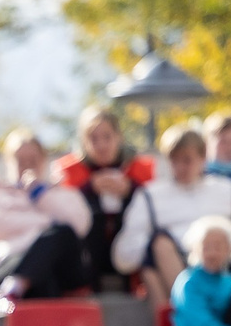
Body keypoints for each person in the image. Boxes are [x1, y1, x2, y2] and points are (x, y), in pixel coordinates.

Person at [115, 122, 231, 298]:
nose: (180, 167)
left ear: (203, 157)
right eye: (174, 160)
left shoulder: (229, 190)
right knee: (160, 247)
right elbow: (124, 257)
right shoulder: (150, 195)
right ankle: (189, 305)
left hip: (225, 271)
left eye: (187, 160)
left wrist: (219, 249)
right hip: (174, 276)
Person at [0, 127, 93, 314]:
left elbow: (79, 226)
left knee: (62, 233)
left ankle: (13, 289)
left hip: (62, 268)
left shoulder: (65, 194)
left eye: (33, 160)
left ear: (43, 160)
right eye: (20, 160)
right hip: (9, 265)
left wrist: (41, 196)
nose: (27, 166)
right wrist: (46, 224)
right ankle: (18, 288)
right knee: (43, 279)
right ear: (8, 161)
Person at [55, 104, 156, 290]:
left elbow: (155, 207)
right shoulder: (69, 171)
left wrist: (131, 190)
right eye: (93, 139)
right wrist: (88, 189)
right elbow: (61, 211)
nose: (101, 145)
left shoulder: (140, 169)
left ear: (119, 137)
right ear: (84, 142)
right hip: (89, 252)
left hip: (127, 250)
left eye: (107, 137)